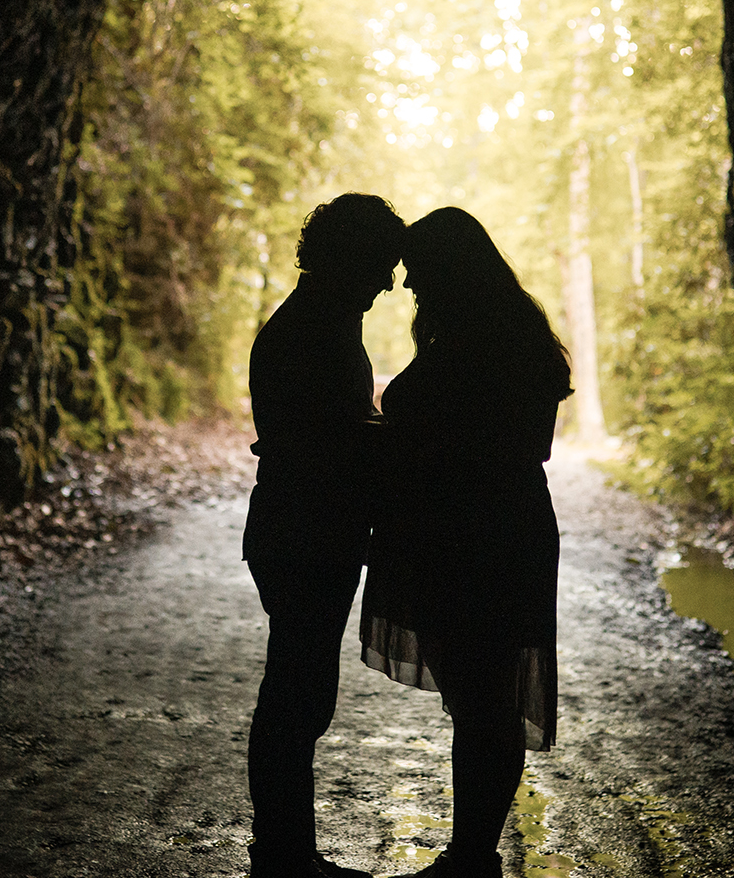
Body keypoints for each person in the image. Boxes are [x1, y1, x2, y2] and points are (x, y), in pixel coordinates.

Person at [360, 207, 573, 878]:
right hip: (497, 526)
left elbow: (463, 440)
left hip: (470, 535)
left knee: (482, 699)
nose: (412, 291)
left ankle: (472, 857)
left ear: (452, 272)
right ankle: (471, 853)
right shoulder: (514, 333)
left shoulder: (474, 343)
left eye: (420, 279)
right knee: (484, 697)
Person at [244, 193, 407, 878]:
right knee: (297, 692)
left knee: (299, 688)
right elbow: (324, 443)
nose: (391, 282)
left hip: (300, 526)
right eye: (382, 264)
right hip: (304, 530)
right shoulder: (315, 329)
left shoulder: (317, 321)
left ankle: (285, 849)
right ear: (353, 255)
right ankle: (284, 856)